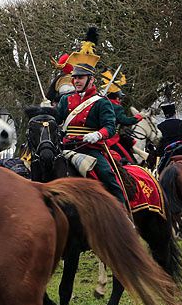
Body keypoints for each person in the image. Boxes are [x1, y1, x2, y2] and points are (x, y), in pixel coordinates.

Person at [55, 27, 127, 209]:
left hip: (90, 148)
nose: (76, 81)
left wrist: (97, 135)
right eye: (74, 78)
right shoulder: (65, 99)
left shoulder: (101, 102)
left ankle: (122, 212)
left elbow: (110, 127)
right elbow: (57, 121)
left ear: (91, 79)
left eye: (80, 78)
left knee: (107, 175)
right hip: (66, 145)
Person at [101, 69, 141, 164]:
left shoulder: (101, 104)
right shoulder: (117, 107)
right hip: (112, 140)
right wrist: (139, 117)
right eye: (119, 97)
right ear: (116, 97)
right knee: (130, 161)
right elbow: (125, 121)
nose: (120, 100)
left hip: (102, 138)